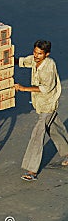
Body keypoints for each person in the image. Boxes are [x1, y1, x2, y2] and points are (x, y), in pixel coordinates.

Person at [14, 40, 68, 181]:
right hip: (40, 104)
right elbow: (23, 62)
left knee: (37, 134)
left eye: (39, 54)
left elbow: (45, 88)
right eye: (35, 52)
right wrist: (7, 60)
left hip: (48, 104)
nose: (36, 56)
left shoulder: (49, 66)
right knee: (54, 128)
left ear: (47, 54)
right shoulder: (34, 59)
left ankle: (32, 170)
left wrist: (23, 88)